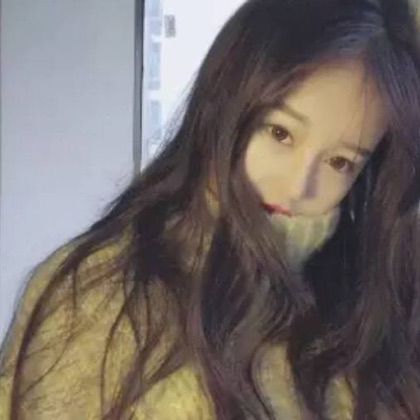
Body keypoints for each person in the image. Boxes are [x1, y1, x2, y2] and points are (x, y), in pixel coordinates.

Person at [1, 0, 420, 418]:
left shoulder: (362, 308)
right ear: (224, 106)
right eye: (279, 133)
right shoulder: (97, 294)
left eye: (340, 162)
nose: (298, 187)